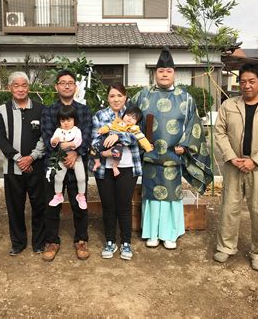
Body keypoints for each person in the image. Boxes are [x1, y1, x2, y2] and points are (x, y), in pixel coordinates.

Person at [131, 47, 212, 250]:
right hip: (149, 156)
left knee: (170, 196)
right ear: (155, 73)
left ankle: (169, 234)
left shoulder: (185, 98)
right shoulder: (142, 96)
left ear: (174, 72)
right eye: (160, 71)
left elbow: (194, 125)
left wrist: (185, 146)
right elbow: (129, 119)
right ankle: (151, 233)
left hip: (172, 158)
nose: (164, 74)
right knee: (150, 196)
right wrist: (139, 141)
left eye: (168, 71)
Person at [213, 62, 258, 272]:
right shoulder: (229, 106)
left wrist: (255, 160)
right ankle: (226, 247)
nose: (246, 86)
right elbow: (220, 132)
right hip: (233, 165)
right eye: (243, 81)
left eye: (252, 81)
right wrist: (230, 157)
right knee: (229, 207)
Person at [41, 69, 92, 262]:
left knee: (80, 203)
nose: (67, 85)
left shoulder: (84, 111)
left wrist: (76, 153)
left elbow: (86, 135)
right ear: (56, 86)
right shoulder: (49, 111)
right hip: (55, 164)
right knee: (53, 203)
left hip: (78, 162)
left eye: (70, 82)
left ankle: (81, 239)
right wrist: (64, 155)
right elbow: (48, 138)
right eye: (62, 82)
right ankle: (52, 241)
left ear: (76, 86)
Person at [0, 71, 46, 256]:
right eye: (16, 85)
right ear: (10, 88)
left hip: (36, 166)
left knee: (39, 205)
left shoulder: (40, 109)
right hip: (12, 168)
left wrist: (32, 157)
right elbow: (1, 138)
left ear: (29, 87)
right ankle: (18, 242)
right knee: (15, 206)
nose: (20, 89)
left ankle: (39, 243)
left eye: (24, 85)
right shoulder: (2, 110)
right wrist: (18, 158)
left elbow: (45, 136)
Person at [91, 83, 142, 260]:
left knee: (124, 206)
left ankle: (126, 242)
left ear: (125, 97)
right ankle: (110, 241)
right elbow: (94, 141)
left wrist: (118, 135)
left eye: (119, 95)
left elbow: (137, 136)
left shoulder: (133, 114)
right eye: (112, 96)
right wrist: (105, 149)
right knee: (108, 206)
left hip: (128, 167)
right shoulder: (100, 115)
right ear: (108, 98)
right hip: (105, 168)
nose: (116, 99)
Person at [91, 105, 153, 177]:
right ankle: (97, 162)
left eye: (134, 118)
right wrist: (102, 130)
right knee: (93, 148)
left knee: (117, 151)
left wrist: (148, 147)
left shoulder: (134, 128)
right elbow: (109, 126)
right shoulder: (117, 122)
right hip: (107, 141)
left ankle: (115, 166)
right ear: (124, 115)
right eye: (128, 115)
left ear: (136, 122)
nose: (130, 119)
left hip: (118, 144)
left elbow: (142, 139)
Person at [49, 105, 87, 209]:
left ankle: (81, 195)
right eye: (63, 120)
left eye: (69, 120)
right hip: (61, 157)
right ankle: (58, 195)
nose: (66, 123)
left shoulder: (77, 130)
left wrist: (69, 144)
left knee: (81, 178)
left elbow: (78, 141)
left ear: (74, 120)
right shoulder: (58, 130)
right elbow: (52, 141)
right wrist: (54, 141)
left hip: (76, 158)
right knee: (58, 177)